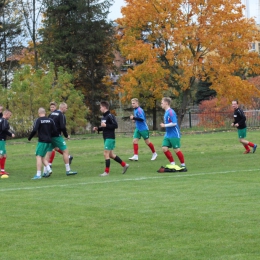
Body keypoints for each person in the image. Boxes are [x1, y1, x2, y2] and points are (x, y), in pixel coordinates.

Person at [93, 101, 129, 176]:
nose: (100, 109)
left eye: (100, 107)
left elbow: (115, 125)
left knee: (105, 153)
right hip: (106, 137)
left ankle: (106, 172)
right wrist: (98, 129)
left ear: (104, 107)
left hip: (110, 137)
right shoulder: (103, 117)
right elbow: (104, 127)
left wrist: (106, 125)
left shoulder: (110, 116)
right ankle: (124, 165)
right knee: (111, 155)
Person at [45, 102, 77, 176]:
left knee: (48, 152)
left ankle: (45, 171)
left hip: (49, 136)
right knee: (65, 152)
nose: (66, 109)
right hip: (57, 136)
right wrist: (66, 135)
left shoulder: (51, 114)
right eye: (66, 108)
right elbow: (62, 127)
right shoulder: (61, 115)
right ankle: (68, 170)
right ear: (62, 108)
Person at [160, 97, 187, 171]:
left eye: (162, 103)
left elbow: (174, 123)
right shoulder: (166, 112)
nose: (161, 104)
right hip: (168, 134)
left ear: (166, 103)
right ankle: (172, 163)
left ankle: (183, 165)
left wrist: (164, 125)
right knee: (164, 148)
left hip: (174, 134)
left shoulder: (171, 112)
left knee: (176, 150)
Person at [28, 108, 55, 180]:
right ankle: (49, 169)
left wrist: (30, 137)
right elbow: (54, 130)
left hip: (42, 141)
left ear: (38, 113)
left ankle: (38, 174)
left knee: (38, 156)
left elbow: (34, 129)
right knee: (42, 157)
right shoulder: (50, 120)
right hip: (49, 141)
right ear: (45, 113)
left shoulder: (38, 120)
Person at [0, 109, 15, 175]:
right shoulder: (4, 120)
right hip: (1, 139)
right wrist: (10, 134)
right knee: (1, 155)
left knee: (4, 155)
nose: (10, 116)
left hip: (1, 139)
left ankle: (2, 170)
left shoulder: (0, 119)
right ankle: (2, 171)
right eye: (10, 115)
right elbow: (4, 129)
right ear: (6, 114)